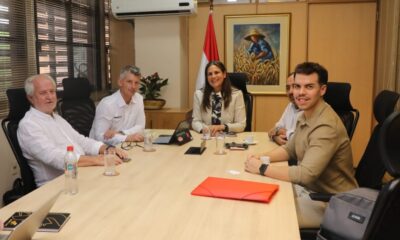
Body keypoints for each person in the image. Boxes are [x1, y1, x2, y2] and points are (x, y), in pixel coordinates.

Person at [244, 62, 358, 228]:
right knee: (255, 195)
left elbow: (305, 174)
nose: (300, 93)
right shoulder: (304, 115)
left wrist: (261, 168)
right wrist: (259, 157)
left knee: (266, 216)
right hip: (308, 191)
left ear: (322, 90)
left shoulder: (326, 126)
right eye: (297, 86)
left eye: (309, 87)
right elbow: (289, 150)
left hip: (330, 203)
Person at [17, 74, 127, 187]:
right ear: (30, 97)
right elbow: (55, 157)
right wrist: (95, 160)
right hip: (58, 185)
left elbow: (81, 141)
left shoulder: (56, 117)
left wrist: (107, 149)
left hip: (81, 175)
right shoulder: (28, 125)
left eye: (52, 91)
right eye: (43, 93)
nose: (49, 97)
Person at [90, 65, 145, 146]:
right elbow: (100, 136)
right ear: (120, 82)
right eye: (129, 82)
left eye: (136, 83)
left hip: (126, 146)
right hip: (101, 151)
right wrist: (127, 137)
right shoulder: (107, 104)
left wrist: (121, 133)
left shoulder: (139, 99)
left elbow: (140, 127)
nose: (133, 86)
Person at [192, 61, 246, 136]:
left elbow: (241, 125)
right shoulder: (199, 94)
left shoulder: (236, 94)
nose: (213, 76)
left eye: (216, 72)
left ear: (224, 74)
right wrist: (204, 129)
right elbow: (195, 122)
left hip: (228, 139)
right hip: (207, 136)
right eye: (210, 74)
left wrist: (221, 127)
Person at [268, 73, 301, 145]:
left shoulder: (310, 109)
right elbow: (273, 130)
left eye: (295, 86)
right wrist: (276, 138)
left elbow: (300, 140)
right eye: (288, 88)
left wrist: (283, 132)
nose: (290, 92)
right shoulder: (290, 106)